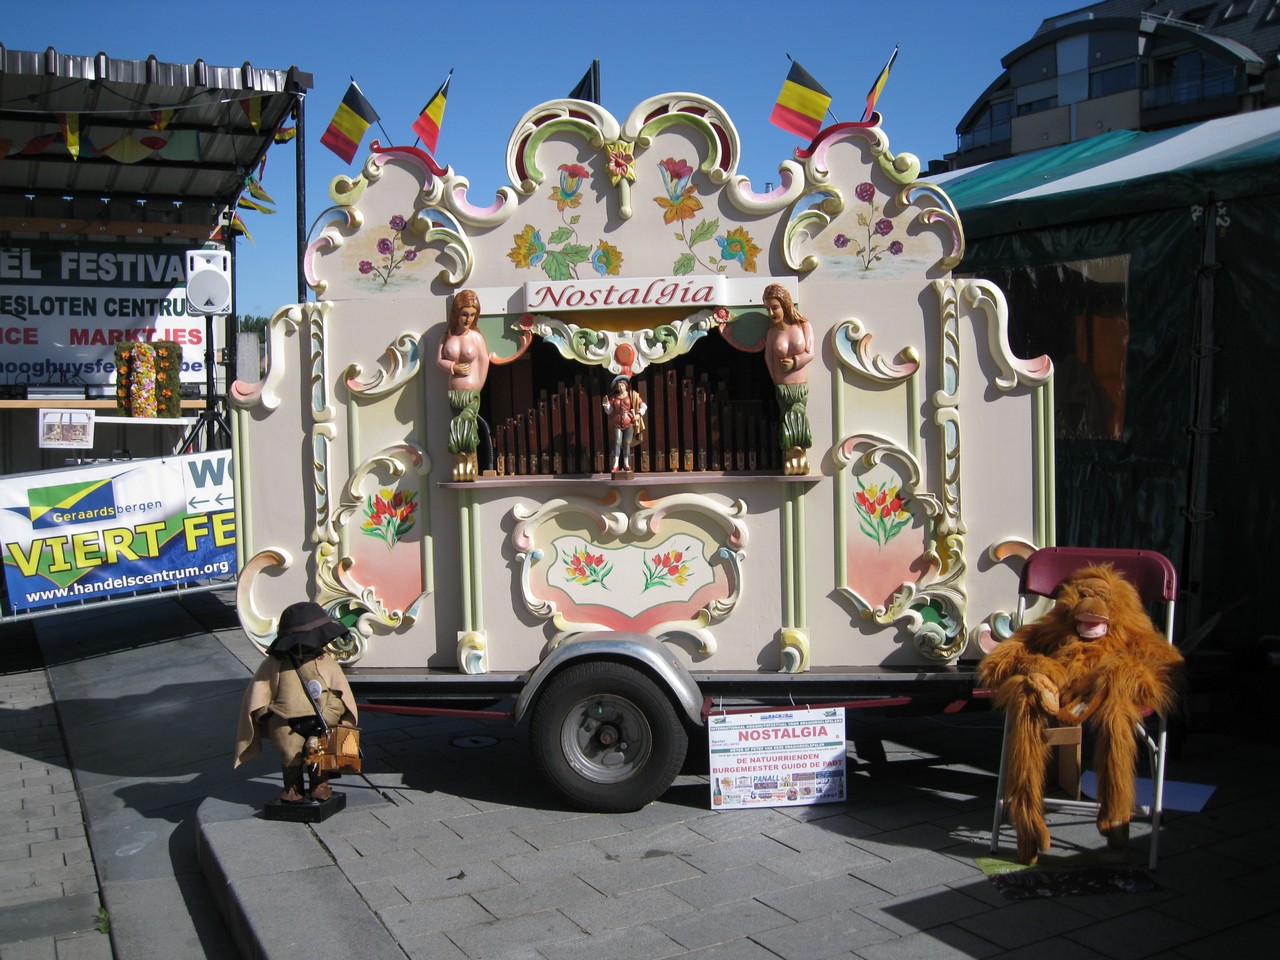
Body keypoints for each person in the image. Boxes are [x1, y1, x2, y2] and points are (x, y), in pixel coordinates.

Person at [235, 601, 357, 804]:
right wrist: (268, 714)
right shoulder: (274, 664)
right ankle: (292, 787)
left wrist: (328, 715)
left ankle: (319, 784)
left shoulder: (325, 662)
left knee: (319, 755)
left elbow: (339, 695)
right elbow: (259, 694)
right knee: (290, 756)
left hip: (320, 719)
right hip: (284, 720)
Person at [437, 290, 490, 480]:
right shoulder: (447, 336)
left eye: (472, 315)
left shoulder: (476, 337)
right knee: (457, 429)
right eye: (464, 314)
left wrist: (478, 386)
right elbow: (439, 360)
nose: (468, 319)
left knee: (467, 428)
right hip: (454, 394)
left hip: (471, 393)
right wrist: (453, 366)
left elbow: (484, 361)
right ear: (456, 314)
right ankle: (461, 466)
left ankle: (470, 467)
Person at [762, 283, 814, 473]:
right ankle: (791, 453)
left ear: (785, 304)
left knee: (799, 417)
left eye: (774, 307)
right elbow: (768, 357)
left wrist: (795, 362)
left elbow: (810, 352)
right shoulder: (772, 332)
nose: (771, 313)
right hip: (783, 387)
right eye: (767, 309)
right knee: (787, 419)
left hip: (799, 385)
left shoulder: (803, 325)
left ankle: (800, 451)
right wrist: (776, 380)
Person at [602, 375, 646, 472]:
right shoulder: (614, 398)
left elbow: (643, 405)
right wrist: (606, 404)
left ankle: (626, 463)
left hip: (629, 422)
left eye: (622, 385)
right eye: (618, 386)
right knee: (617, 442)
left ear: (625, 385)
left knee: (627, 443)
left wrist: (639, 415)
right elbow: (609, 411)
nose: (620, 387)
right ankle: (616, 464)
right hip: (617, 423)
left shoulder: (632, 395)